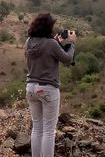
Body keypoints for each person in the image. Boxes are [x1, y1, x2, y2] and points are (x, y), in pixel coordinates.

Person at [24, 12, 76, 157]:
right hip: (47, 89)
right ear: (48, 27)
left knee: (37, 127)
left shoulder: (28, 41)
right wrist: (72, 42)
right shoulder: (51, 44)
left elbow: (35, 55)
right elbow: (67, 59)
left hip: (31, 87)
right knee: (48, 130)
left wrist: (54, 42)